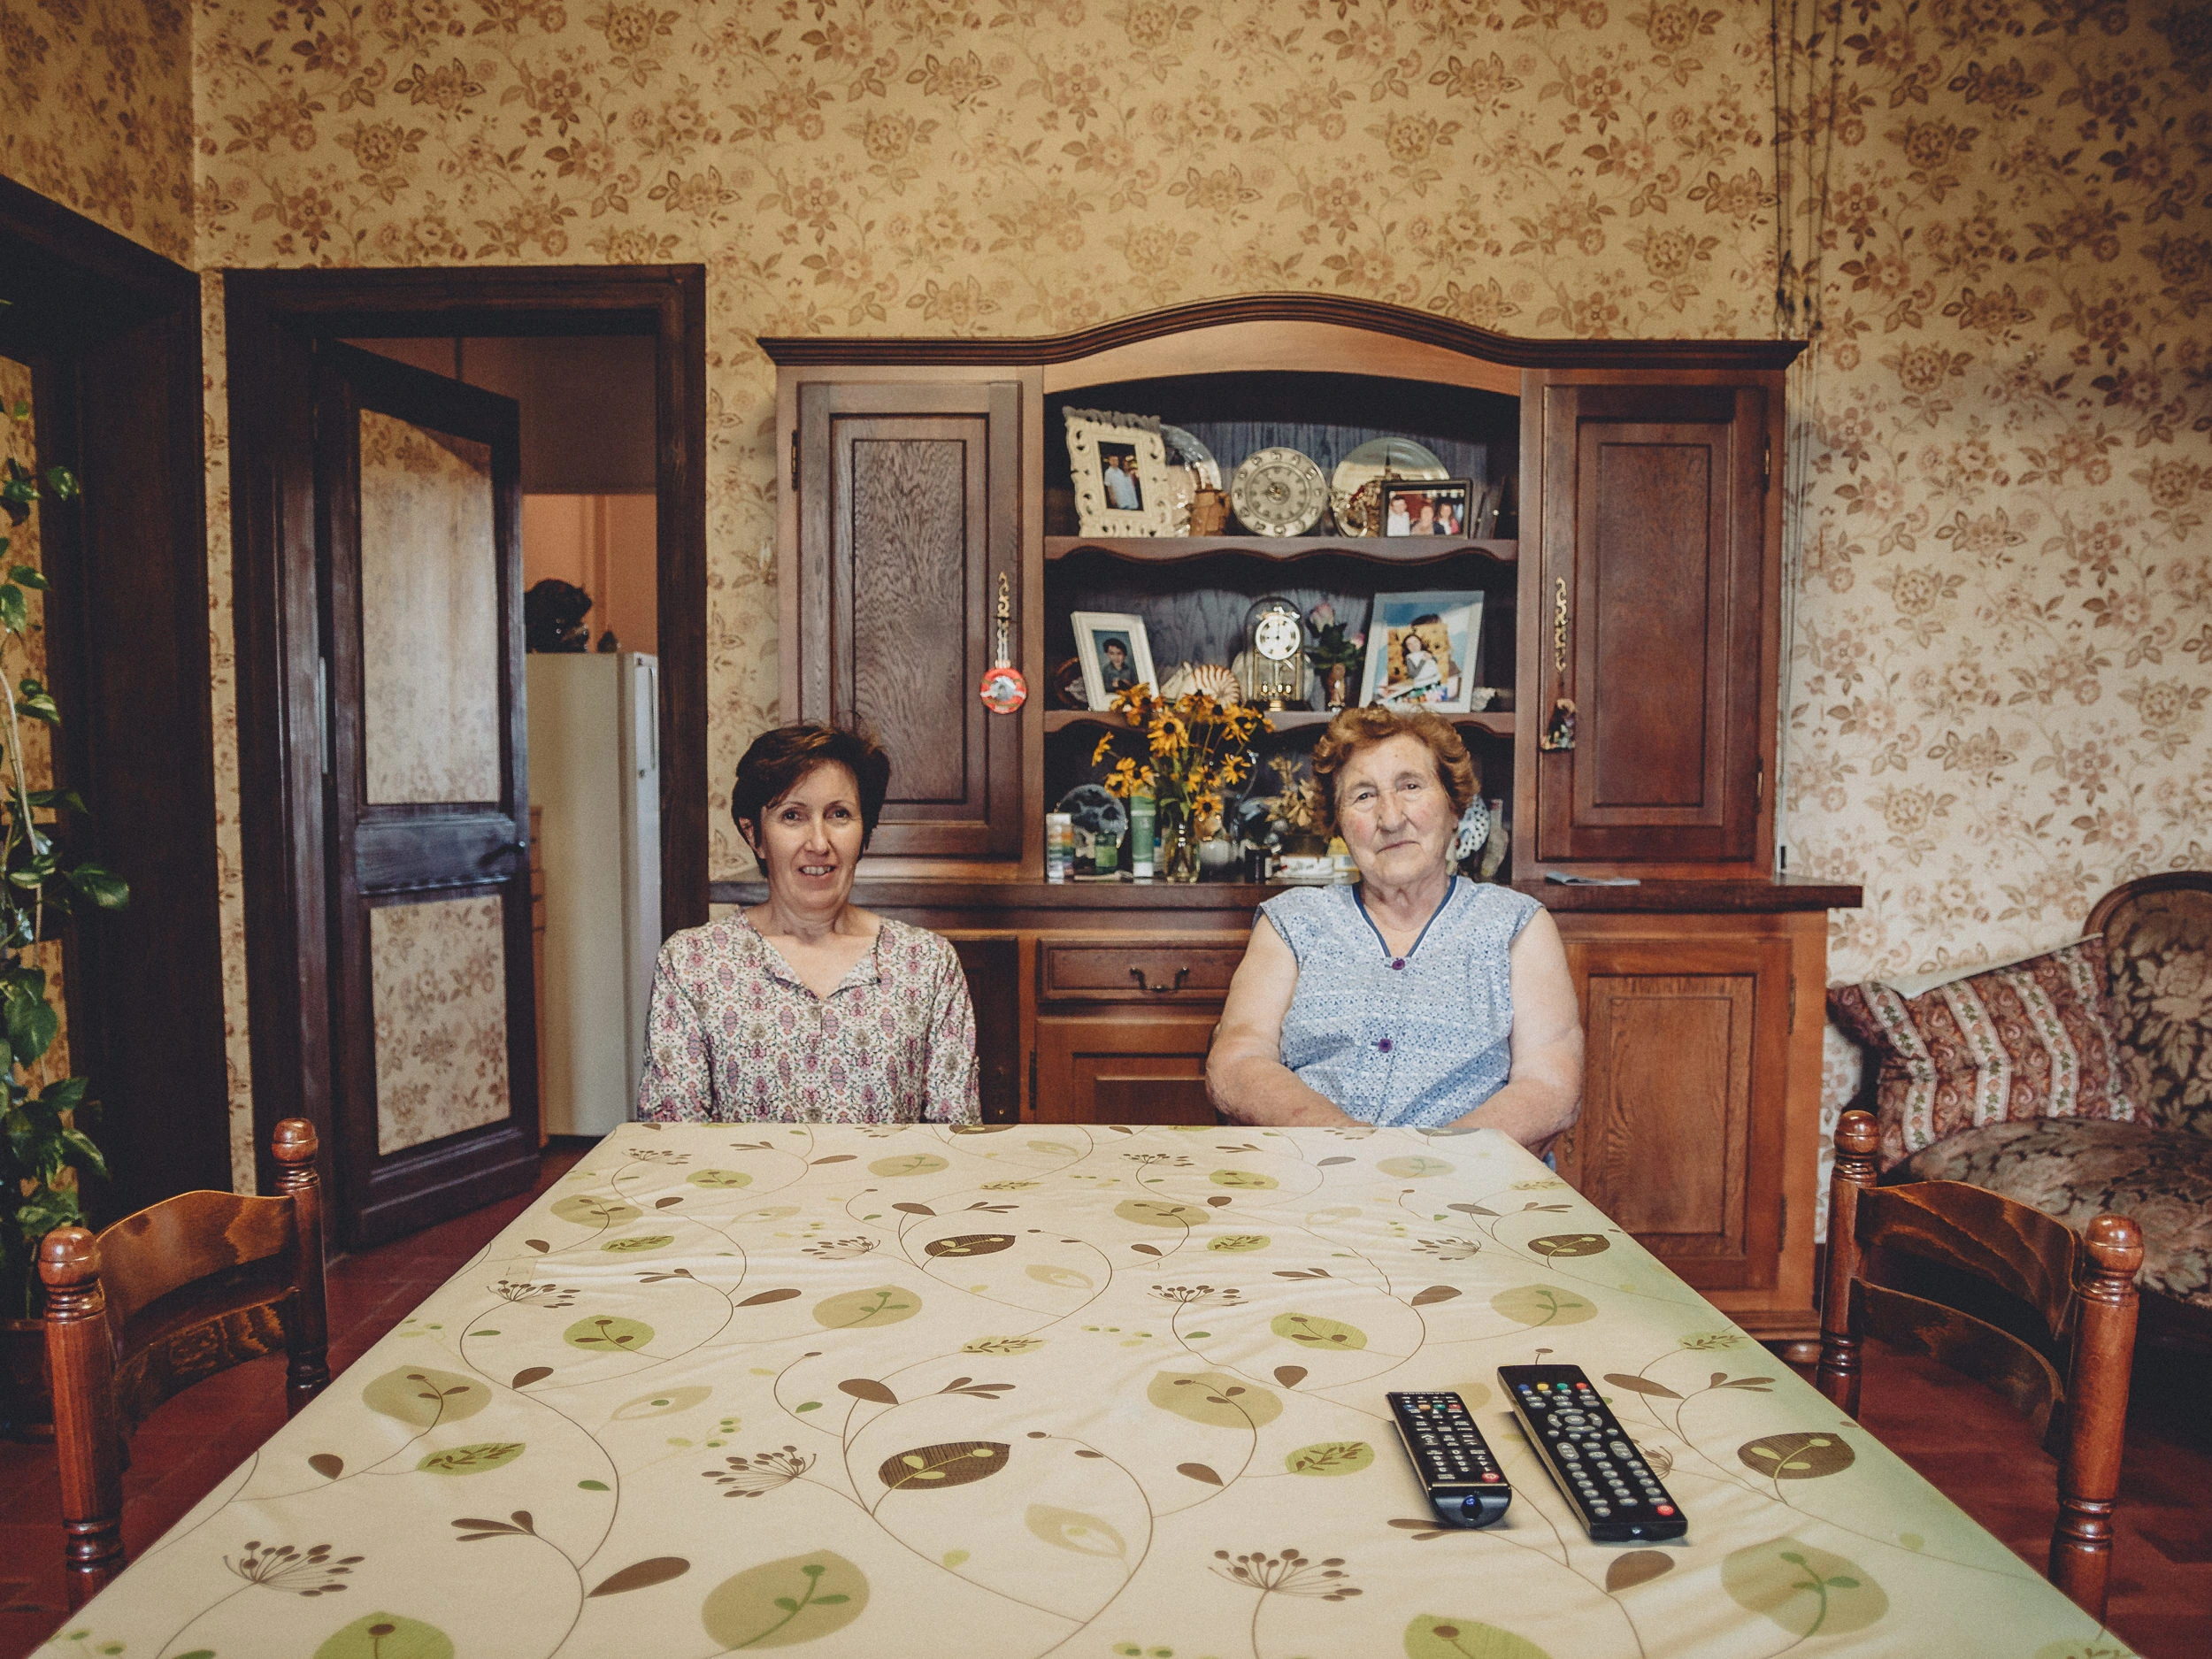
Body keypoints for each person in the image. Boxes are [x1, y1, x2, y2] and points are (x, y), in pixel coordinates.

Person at [1207, 705, 1582, 1149]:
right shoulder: (1293, 923)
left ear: (1453, 807)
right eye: (1363, 796)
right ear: (1340, 825)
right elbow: (1237, 1062)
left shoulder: (1516, 926)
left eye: (1410, 786)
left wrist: (1433, 1163)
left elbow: (1550, 1086)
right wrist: (1351, 1146)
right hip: (1314, 1176)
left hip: (1472, 1188)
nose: (1390, 817)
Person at [635, 723, 979, 1124]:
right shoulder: (693, 962)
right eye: (792, 815)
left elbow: (954, 1138)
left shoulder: (927, 964)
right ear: (755, 835)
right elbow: (672, 1139)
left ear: (864, 831)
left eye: (839, 814)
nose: (819, 843)